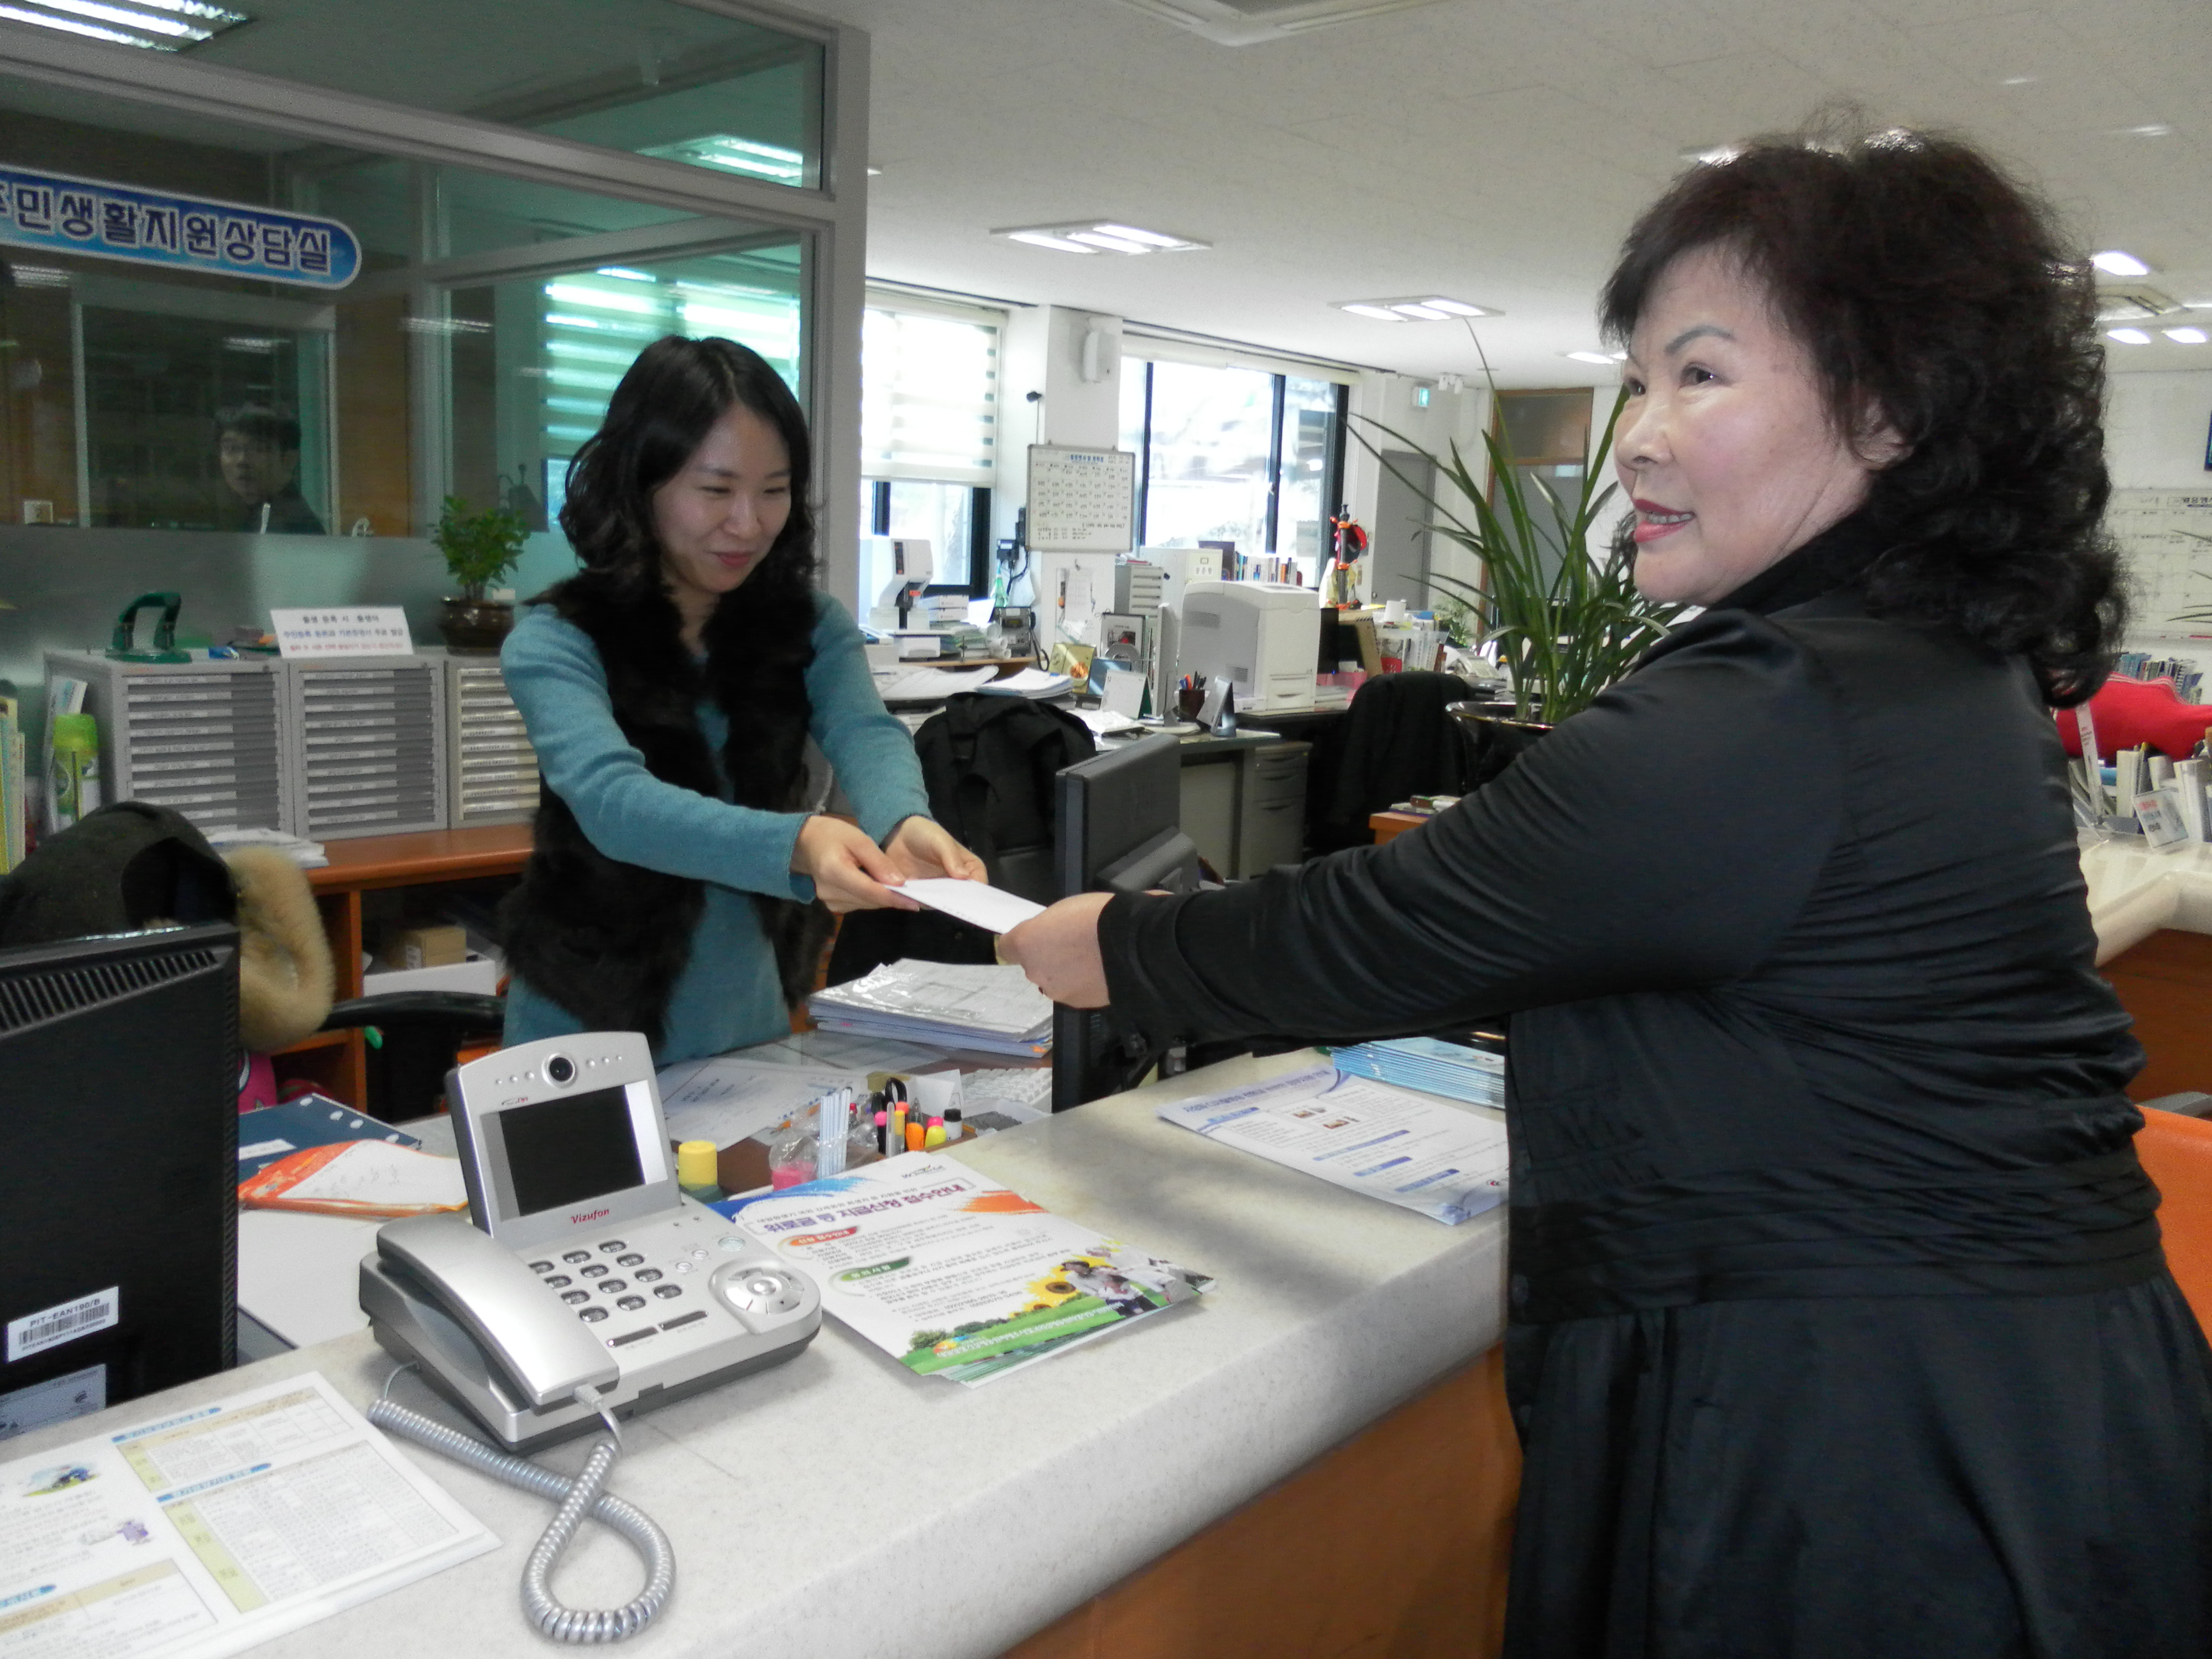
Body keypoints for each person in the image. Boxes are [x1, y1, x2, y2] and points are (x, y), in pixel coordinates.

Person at [1004, 124, 2212, 1656]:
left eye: (1699, 374)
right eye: (1637, 378)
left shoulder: (1779, 703)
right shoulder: (1929, 661)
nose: (1635, 436)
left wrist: (1111, 942)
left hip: (1872, 1460)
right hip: (2013, 1408)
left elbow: (1384, 926)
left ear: (1892, 409)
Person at [498, 335, 983, 1064]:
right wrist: (798, 843)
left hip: (746, 1021)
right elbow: (614, 803)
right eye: (716, 491)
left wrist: (902, 819)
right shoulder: (558, 639)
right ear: (640, 483)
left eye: (775, 491)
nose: (749, 524)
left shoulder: (808, 624)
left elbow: (865, 730)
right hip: (583, 1029)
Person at [216, 404, 324, 534]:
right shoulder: (245, 514)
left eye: (258, 449)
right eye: (231, 448)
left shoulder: (293, 525)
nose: (242, 460)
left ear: (289, 460)